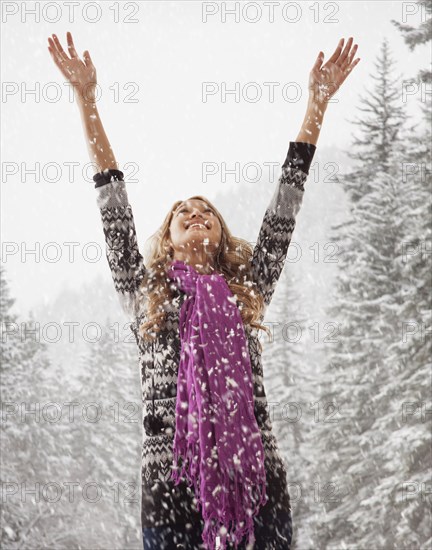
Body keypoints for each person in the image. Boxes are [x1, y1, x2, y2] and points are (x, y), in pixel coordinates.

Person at [47, 32, 360, 550]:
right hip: (170, 481)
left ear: (219, 236)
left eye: (206, 212)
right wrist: (87, 101)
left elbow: (286, 203)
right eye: (183, 214)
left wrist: (316, 105)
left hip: (256, 482)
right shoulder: (146, 297)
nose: (196, 215)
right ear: (167, 241)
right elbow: (113, 204)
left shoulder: (246, 291)